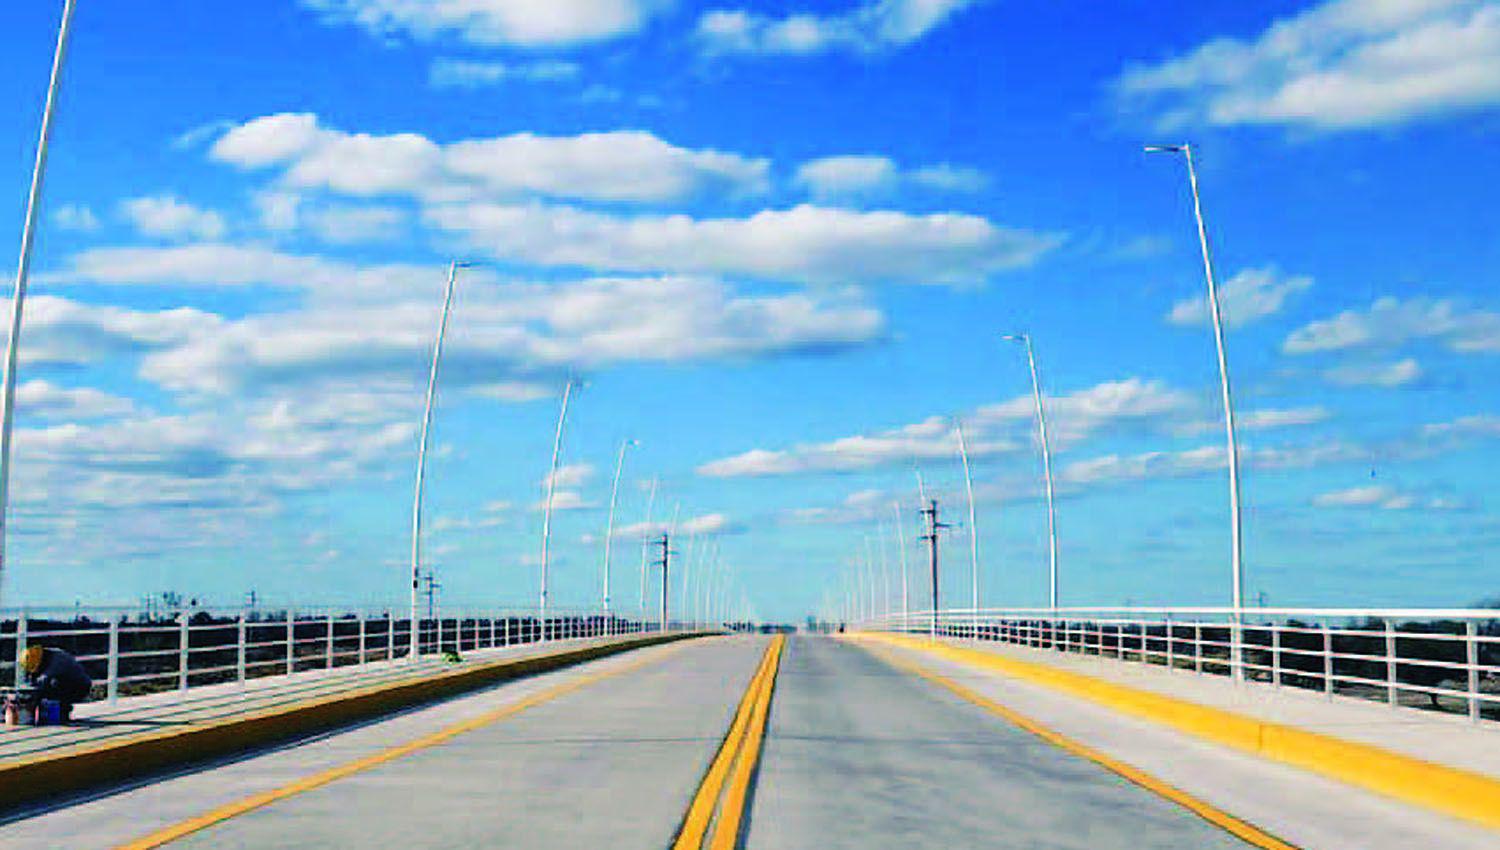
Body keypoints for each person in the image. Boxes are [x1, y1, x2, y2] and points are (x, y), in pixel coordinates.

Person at [20, 645, 92, 722]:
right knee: (48, 687)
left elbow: (43, 682)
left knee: (52, 685)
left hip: (80, 687)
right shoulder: (47, 654)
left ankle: (63, 711)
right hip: (69, 681)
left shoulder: (57, 662)